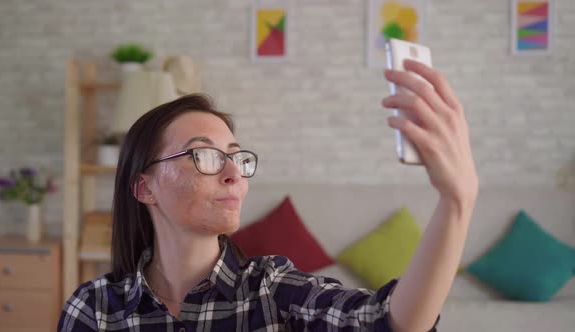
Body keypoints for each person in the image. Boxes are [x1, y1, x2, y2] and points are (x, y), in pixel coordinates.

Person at [58, 59, 478, 331]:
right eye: (206, 154)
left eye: (238, 159)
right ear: (145, 186)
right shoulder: (94, 309)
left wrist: (457, 201)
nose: (232, 174)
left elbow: (390, 322)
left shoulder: (272, 291)